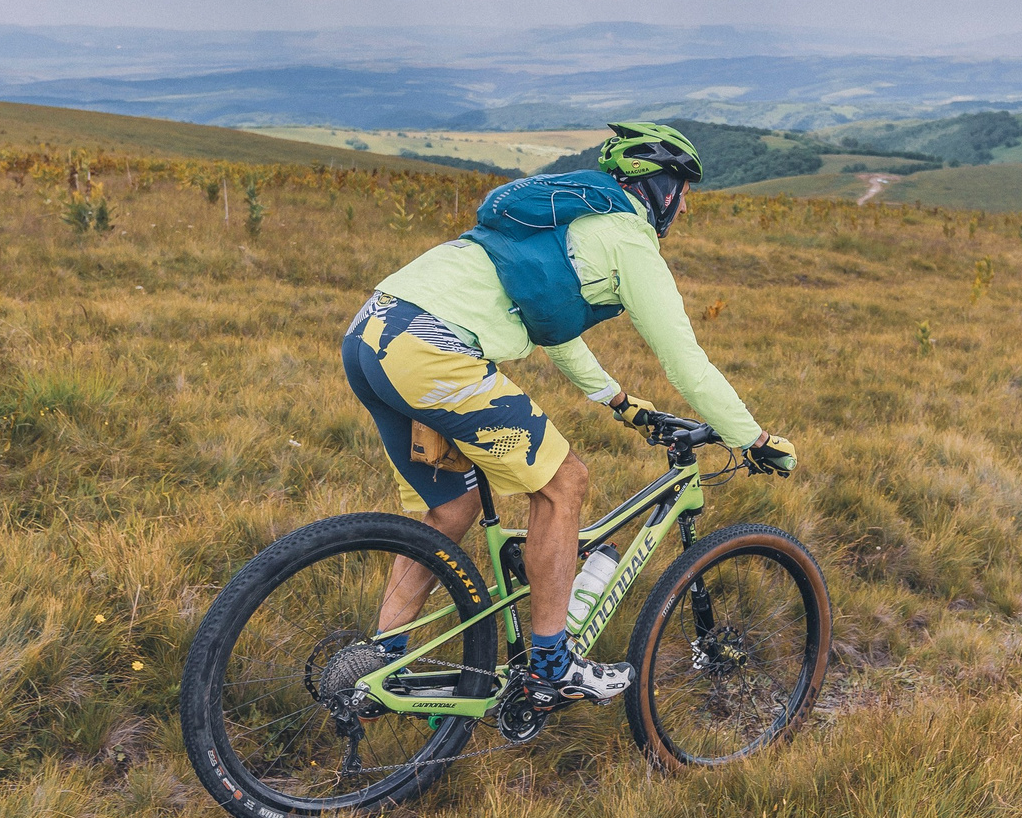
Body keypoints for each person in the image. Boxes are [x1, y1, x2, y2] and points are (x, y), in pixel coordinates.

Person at [341, 121, 797, 713]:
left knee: (451, 508)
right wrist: (754, 438)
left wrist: (617, 400)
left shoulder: (562, 220)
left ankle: (380, 662)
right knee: (564, 484)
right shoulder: (630, 240)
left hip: (371, 331)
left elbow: (552, 326)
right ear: (658, 188)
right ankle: (552, 666)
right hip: (431, 346)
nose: (683, 205)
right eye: (681, 189)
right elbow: (686, 363)